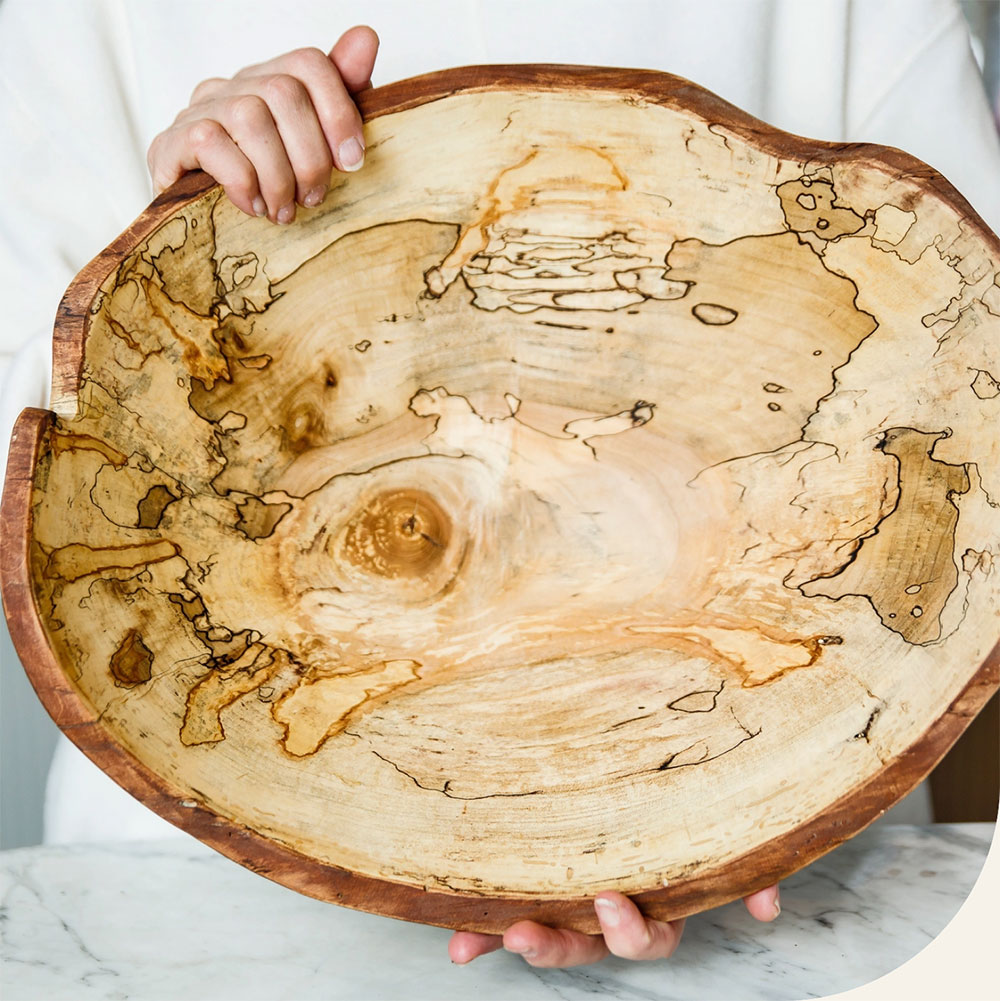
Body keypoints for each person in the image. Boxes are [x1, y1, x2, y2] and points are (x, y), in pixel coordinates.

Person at [1, 0, 997, 974]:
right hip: (189, 893)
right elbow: (30, 451)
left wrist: (740, 822)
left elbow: (964, 369)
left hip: (770, 844)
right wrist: (157, 262)